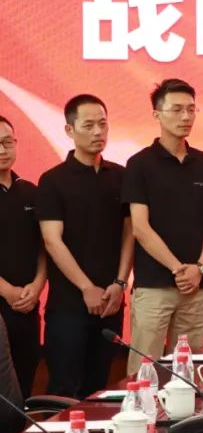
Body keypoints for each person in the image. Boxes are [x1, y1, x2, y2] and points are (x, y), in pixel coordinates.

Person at [37, 95, 133, 398]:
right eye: (88, 125)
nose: (98, 132)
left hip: (111, 302)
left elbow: (129, 233)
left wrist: (120, 283)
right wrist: (86, 287)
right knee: (64, 389)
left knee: (100, 389)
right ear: (69, 130)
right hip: (68, 305)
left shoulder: (121, 176)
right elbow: (52, 240)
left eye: (102, 124)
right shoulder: (53, 180)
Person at [123, 79, 203, 373]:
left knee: (189, 370)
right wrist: (179, 269)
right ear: (157, 115)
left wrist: (199, 268)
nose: (186, 117)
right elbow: (140, 227)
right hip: (154, 286)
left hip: (195, 287)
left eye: (191, 109)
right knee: (144, 369)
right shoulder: (139, 164)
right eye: (176, 109)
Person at [0, 116, 45, 397]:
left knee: (25, 381)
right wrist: (7, 291)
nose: (2, 150)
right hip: (4, 301)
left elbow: (44, 247)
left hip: (28, 305)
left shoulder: (30, 191)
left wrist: (37, 286)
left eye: (7, 142)